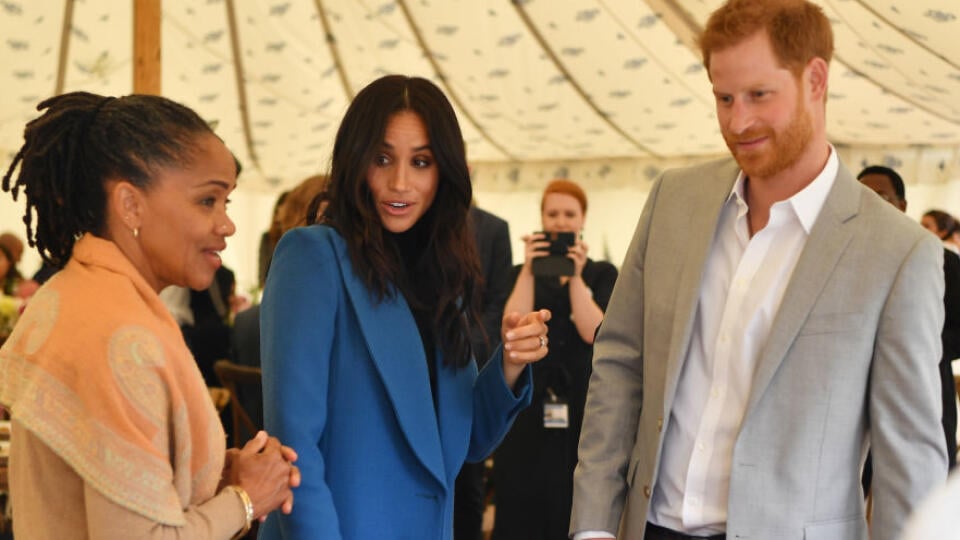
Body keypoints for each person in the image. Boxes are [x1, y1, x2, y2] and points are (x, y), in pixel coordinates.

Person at [569, 1, 947, 539]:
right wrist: (593, 527)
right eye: (723, 98)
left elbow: (908, 462)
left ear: (815, 79)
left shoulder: (898, 251)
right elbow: (620, 363)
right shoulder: (672, 200)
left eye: (758, 96)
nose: (737, 121)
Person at [258, 74, 551, 540]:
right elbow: (294, 451)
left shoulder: (443, 276)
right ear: (356, 162)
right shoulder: (313, 257)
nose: (400, 182)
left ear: (445, 172)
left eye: (421, 162)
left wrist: (511, 364)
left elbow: (465, 441)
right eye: (382, 158)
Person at [0, 91, 299, 539]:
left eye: (227, 203)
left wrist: (217, 477)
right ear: (130, 205)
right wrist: (245, 499)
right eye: (207, 201)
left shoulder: (70, 295)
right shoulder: (121, 338)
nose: (227, 224)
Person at [492, 179, 617, 540]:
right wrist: (531, 269)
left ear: (583, 220)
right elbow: (511, 328)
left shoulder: (601, 273)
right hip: (528, 403)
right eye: (552, 214)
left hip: (581, 403)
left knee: (571, 497)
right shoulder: (519, 274)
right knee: (520, 498)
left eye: (569, 214)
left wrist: (575, 277)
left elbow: (595, 332)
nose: (560, 222)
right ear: (542, 218)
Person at [858, 165, 960, 475]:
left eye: (881, 197)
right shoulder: (842, 260)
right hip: (855, 397)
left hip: (924, 391)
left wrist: (912, 343)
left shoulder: (940, 259)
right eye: (860, 196)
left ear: (902, 205)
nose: (871, 204)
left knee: (922, 487)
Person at [453, 203, 514, 540]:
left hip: (473, 359)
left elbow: (499, 302)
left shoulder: (493, 228)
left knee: (470, 477)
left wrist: (470, 343)